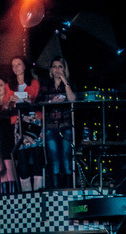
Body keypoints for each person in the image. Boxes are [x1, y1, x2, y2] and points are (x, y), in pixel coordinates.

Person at [36, 56, 76, 188]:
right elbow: (37, 103)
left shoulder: (69, 83)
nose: (57, 69)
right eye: (54, 67)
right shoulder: (46, 84)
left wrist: (65, 82)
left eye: (60, 67)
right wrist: (50, 102)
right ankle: (56, 189)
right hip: (50, 126)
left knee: (66, 156)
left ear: (64, 69)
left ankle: (69, 188)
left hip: (66, 125)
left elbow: (73, 99)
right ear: (51, 70)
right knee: (54, 157)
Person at [8, 56, 44, 192]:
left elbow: (39, 100)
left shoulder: (34, 83)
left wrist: (29, 100)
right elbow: (6, 105)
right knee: (22, 157)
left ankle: (39, 190)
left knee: (37, 155)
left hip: (34, 120)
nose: (16, 67)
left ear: (24, 66)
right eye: (13, 65)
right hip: (19, 122)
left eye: (18, 64)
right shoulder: (9, 85)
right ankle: (26, 192)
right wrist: (10, 101)